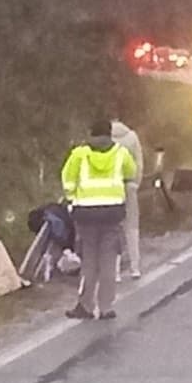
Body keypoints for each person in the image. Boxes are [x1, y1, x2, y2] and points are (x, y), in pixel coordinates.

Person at [61, 119, 138, 320]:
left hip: (86, 214)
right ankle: (106, 308)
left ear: (91, 133)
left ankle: (86, 306)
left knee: (89, 259)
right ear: (109, 133)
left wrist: (71, 199)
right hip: (112, 213)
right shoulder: (121, 153)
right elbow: (131, 172)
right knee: (108, 260)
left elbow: (67, 179)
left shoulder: (79, 154)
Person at [111, 119, 144, 280]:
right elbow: (139, 162)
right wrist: (136, 182)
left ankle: (115, 272)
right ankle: (135, 268)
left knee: (114, 229)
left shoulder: (106, 140)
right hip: (129, 186)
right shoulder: (132, 137)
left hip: (112, 188)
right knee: (132, 228)